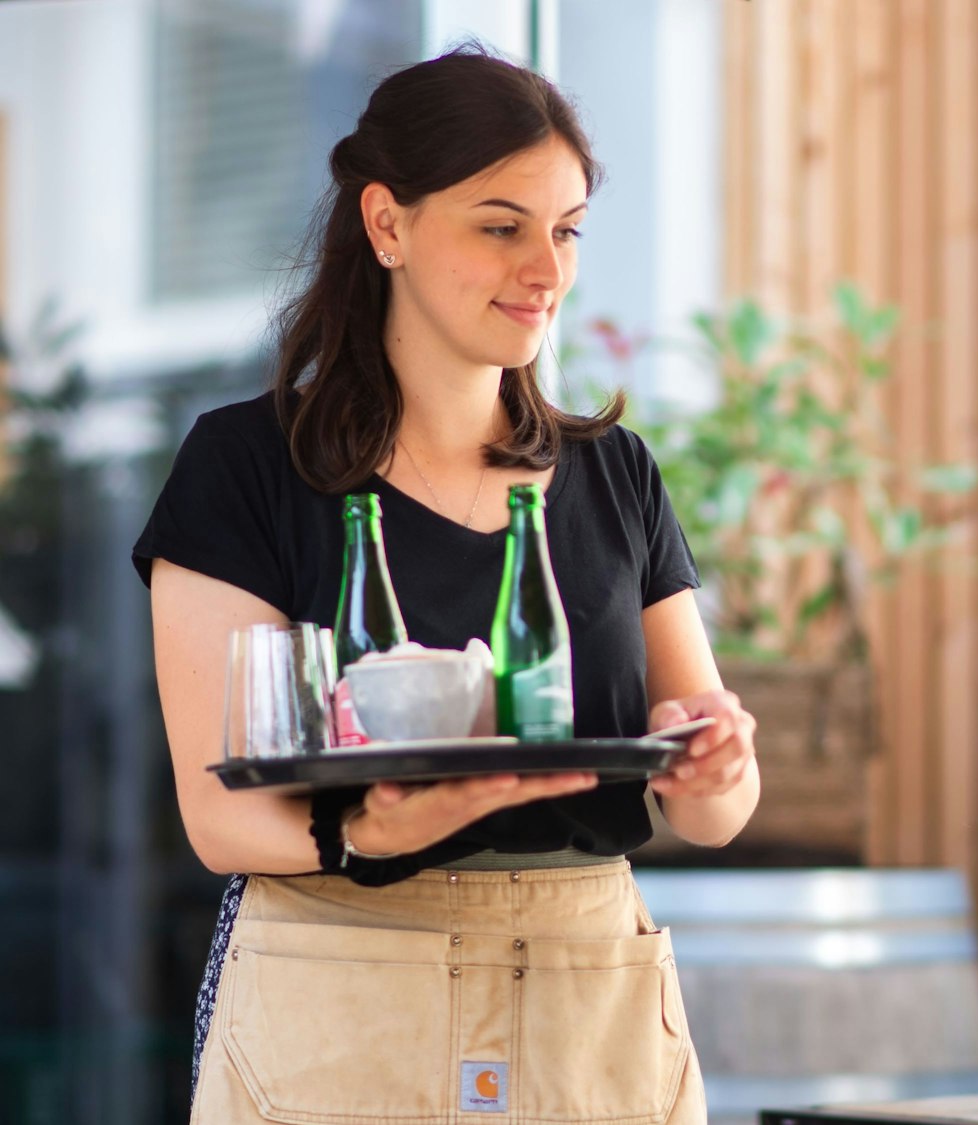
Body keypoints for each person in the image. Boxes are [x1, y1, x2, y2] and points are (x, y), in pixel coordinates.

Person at [132, 45, 755, 1123]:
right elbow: (219, 815)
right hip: (338, 988)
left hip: (587, 999)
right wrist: (371, 834)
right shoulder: (243, 470)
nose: (546, 271)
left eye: (564, 232)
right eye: (500, 225)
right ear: (387, 225)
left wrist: (713, 768)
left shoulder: (614, 475)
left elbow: (716, 805)